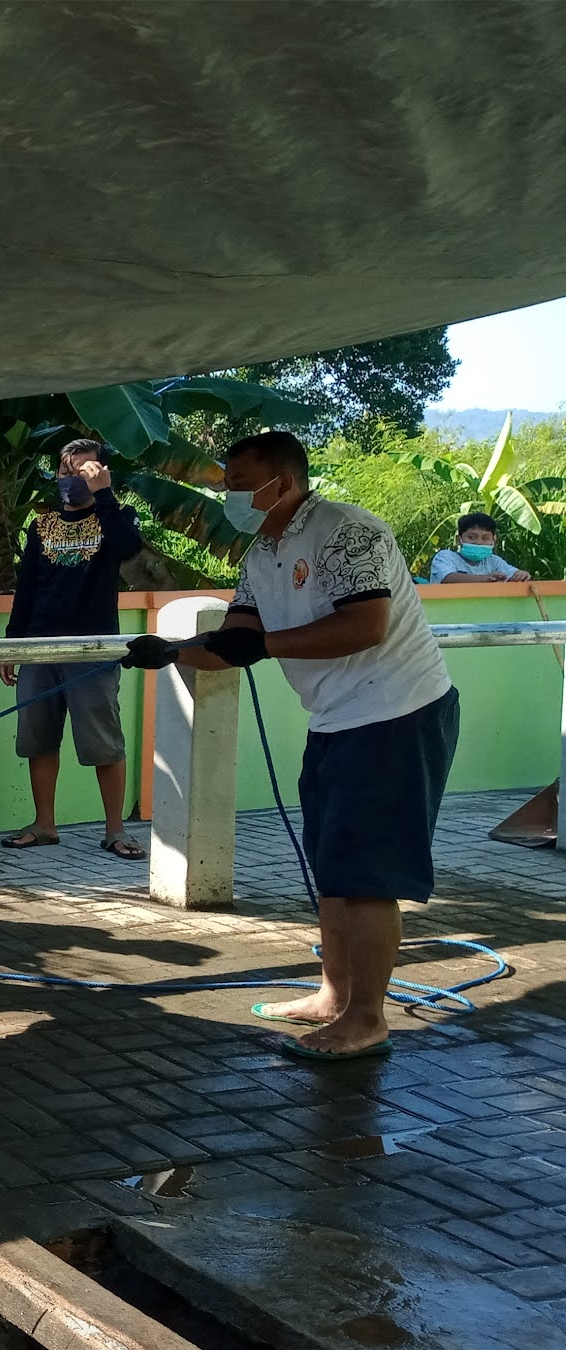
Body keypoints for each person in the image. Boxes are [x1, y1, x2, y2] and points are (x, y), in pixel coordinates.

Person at [124, 430, 458, 1062]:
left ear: (284, 481)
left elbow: (366, 625)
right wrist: (170, 653)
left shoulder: (348, 531)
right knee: (332, 865)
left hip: (397, 712)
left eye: (241, 484)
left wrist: (265, 645)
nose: (231, 496)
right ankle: (333, 995)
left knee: (366, 875)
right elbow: (235, 641)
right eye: (227, 485)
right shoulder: (262, 553)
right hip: (334, 719)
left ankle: (367, 1019)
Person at [0, 439, 145, 859]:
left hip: (93, 650)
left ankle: (115, 830)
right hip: (39, 649)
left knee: (104, 742)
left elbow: (128, 549)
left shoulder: (117, 518)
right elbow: (26, 588)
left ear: (102, 474)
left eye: (84, 472)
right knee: (38, 739)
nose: (73, 479)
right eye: (67, 471)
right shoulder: (40, 526)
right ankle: (44, 825)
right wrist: (11, 644)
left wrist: (104, 495)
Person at [428, 512, 530, 584]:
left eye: (485, 538)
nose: (478, 542)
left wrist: (521, 575)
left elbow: (513, 574)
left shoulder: (493, 561)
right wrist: (484, 579)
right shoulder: (445, 557)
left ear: (493, 540)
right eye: (472, 537)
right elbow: (447, 578)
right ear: (459, 539)